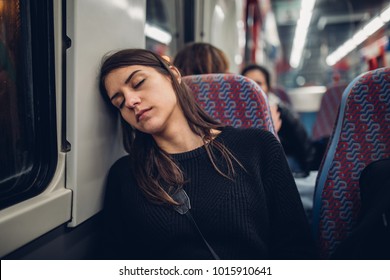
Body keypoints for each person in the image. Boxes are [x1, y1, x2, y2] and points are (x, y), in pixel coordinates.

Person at [98, 48, 317, 259]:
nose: (130, 101)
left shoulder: (257, 147)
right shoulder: (125, 176)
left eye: (138, 83)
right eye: (119, 102)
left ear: (172, 74)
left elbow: (296, 249)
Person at [241, 64, 314, 175]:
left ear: (268, 87)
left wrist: (308, 170)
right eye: (248, 83)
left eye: (258, 83)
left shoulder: (280, 110)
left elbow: (302, 142)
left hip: (284, 156)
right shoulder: (235, 112)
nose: (252, 88)